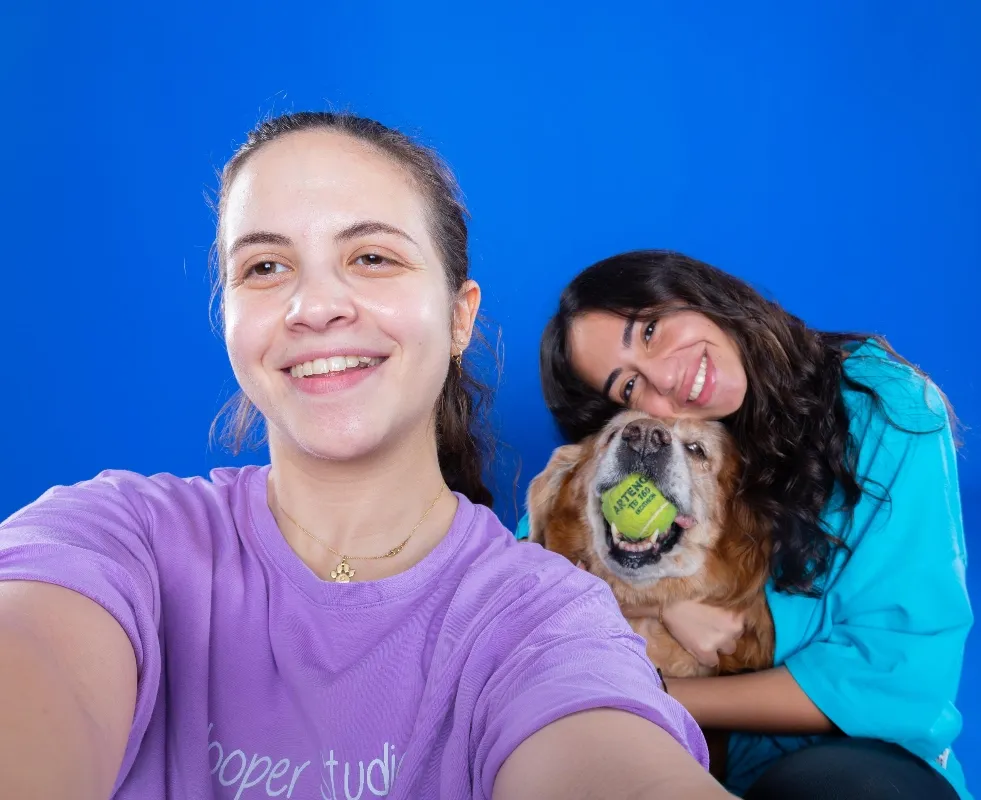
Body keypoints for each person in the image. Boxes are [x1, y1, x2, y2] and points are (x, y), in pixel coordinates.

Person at [0, 113, 734, 800]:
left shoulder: (543, 620)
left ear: (459, 317)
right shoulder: (115, 536)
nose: (314, 307)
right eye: (264, 267)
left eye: (372, 257)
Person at [514, 249, 974, 799]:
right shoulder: (659, 440)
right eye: (629, 387)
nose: (666, 378)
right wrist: (658, 604)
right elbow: (531, 569)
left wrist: (652, 693)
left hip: (852, 757)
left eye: (651, 330)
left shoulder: (888, 406)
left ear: (691, 291)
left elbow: (894, 673)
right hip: (672, 750)